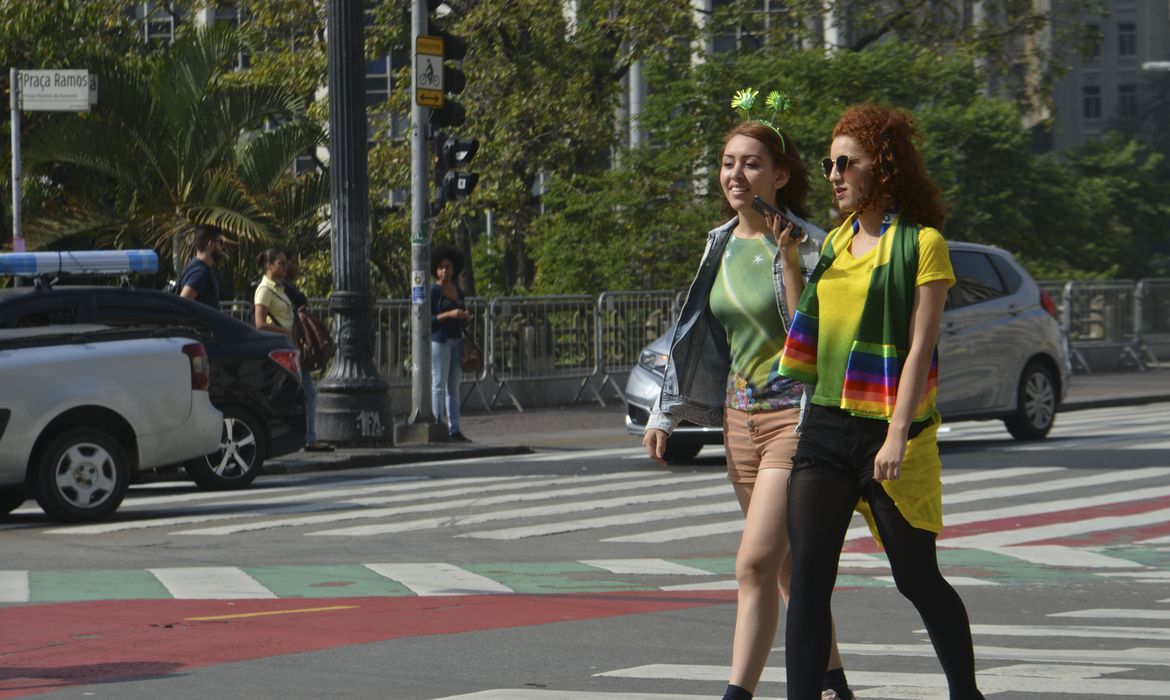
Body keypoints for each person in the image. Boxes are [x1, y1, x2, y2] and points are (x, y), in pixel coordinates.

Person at [642, 89, 853, 700]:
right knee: (786, 571)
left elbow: (808, 335)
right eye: (729, 162)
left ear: (780, 175)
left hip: (796, 420)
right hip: (739, 423)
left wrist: (788, 258)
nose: (737, 173)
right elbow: (695, 334)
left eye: (752, 163)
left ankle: (738, 694)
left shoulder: (813, 244)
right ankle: (835, 683)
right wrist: (666, 411)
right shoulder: (718, 242)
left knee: (754, 564)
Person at [778, 104, 984, 700]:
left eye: (849, 163)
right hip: (824, 426)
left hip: (892, 433)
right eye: (830, 163)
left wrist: (895, 435)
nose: (835, 174)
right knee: (810, 583)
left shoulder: (925, 246)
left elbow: (921, 349)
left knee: (916, 578)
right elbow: (806, 335)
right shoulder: (836, 244)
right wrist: (790, 264)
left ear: (883, 169)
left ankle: (965, 694)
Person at [283, 250, 332, 453]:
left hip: (292, 346)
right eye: (293, 262)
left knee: (307, 393)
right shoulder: (275, 288)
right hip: (287, 346)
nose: (297, 267)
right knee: (305, 393)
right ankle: (307, 438)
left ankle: (308, 437)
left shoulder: (281, 288)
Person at [430, 245, 471, 443]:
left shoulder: (458, 291)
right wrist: (449, 314)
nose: (444, 271)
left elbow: (461, 313)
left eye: (448, 267)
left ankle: (455, 429)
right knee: (439, 384)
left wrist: (464, 317)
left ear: (454, 269)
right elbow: (427, 320)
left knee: (453, 387)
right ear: (436, 270)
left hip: (457, 340)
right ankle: (439, 425)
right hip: (440, 340)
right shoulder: (433, 291)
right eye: (441, 267)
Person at [178, 224, 228, 308]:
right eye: (221, 242)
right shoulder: (200, 272)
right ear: (210, 244)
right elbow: (181, 305)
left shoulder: (195, 267)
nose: (222, 247)